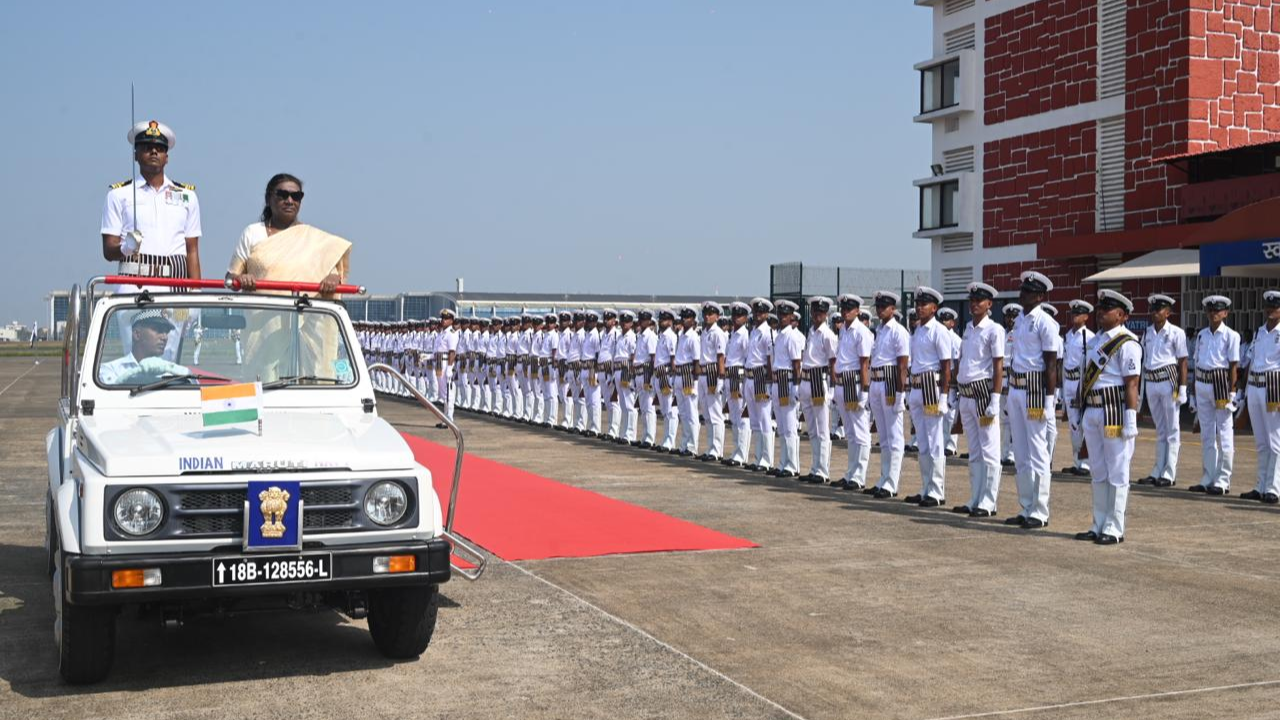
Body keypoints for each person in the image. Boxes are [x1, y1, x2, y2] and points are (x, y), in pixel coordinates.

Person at [102, 120, 202, 360]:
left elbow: (192, 250)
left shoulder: (187, 196)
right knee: (136, 354)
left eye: (159, 148)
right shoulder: (119, 195)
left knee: (170, 353)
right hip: (134, 282)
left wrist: (196, 296)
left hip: (175, 286)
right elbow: (108, 249)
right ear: (136, 154)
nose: (154, 152)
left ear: (167, 157)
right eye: (146, 147)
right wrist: (126, 247)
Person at [1074, 290, 1142, 545]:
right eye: (1101, 307)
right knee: (1098, 471)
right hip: (1092, 410)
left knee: (1117, 470)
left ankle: (1115, 526)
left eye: (1109, 308)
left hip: (1114, 411)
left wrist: (1131, 420)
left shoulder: (1127, 342)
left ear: (1122, 315)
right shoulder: (1093, 341)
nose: (1102, 312)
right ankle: (1098, 522)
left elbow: (1131, 384)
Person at [228, 174, 348, 296]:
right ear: (268, 199)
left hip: (303, 311)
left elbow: (332, 273)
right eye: (283, 195)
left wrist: (333, 279)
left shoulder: (313, 239)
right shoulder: (252, 232)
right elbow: (230, 277)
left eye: (296, 196)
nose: (290, 201)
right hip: (263, 308)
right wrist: (241, 279)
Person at [1005, 271, 1059, 530]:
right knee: (1021, 453)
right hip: (1016, 387)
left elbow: (1050, 365)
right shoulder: (1019, 320)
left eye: (1028, 291)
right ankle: (1026, 505)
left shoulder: (1046, 322)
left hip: (1036, 389)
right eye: (1022, 289)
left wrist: (1050, 402)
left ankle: (1040, 509)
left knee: (1038, 452)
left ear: (1039, 296)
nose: (1022, 294)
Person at [953, 282, 1005, 517]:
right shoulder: (967, 328)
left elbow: (998, 366)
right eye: (972, 300)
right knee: (974, 451)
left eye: (979, 301)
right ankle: (975, 497)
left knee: (990, 450)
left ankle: (988, 501)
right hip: (965, 394)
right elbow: (963, 361)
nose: (974, 304)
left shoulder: (994, 330)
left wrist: (995, 399)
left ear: (989, 304)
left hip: (983, 394)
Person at [904, 287, 952, 507]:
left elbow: (946, 366)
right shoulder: (918, 331)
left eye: (924, 304)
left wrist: (944, 396)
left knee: (934, 441)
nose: (919, 308)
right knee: (922, 442)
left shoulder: (939, 330)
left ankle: (936, 490)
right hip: (916, 387)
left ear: (934, 308)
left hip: (932, 388)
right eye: (918, 304)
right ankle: (926, 487)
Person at [1191, 295, 1241, 495]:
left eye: (1218, 310)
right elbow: (1197, 362)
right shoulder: (1202, 335)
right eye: (1210, 310)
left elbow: (1233, 366)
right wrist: (1194, 391)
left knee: (1225, 432)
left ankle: (1223, 479)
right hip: (1203, 382)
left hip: (1221, 383)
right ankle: (1208, 476)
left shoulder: (1231, 335)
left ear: (1225, 313)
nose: (1213, 314)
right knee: (1207, 434)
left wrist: (1232, 393)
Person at [1139, 294, 1189, 488]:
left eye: (1159, 309)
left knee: (1172, 428)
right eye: (1153, 309)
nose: (1154, 313)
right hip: (1152, 381)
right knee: (1160, 430)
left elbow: (1182, 361)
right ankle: (1157, 469)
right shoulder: (1148, 332)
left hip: (1169, 381)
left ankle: (1169, 472)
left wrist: (1183, 388)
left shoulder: (1176, 332)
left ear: (1168, 312)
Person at [867, 291, 910, 499]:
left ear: (893, 309)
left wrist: (901, 394)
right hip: (876, 382)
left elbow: (903, 365)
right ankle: (883, 478)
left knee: (894, 436)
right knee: (883, 437)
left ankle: (892, 482)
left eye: (884, 306)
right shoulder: (880, 330)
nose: (880, 309)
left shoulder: (898, 331)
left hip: (891, 383)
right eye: (878, 306)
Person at [832, 294, 873, 490]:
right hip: (842, 384)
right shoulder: (844, 331)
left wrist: (864, 392)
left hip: (855, 384)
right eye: (843, 308)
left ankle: (859, 475)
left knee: (861, 431)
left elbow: (865, 363)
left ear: (857, 310)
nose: (845, 311)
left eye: (849, 308)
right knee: (850, 432)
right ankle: (851, 472)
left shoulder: (861, 332)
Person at [1243, 290, 1280, 504]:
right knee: (1261, 441)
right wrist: (1242, 391)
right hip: (1255, 386)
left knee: (1275, 440)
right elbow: (1250, 360)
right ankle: (1261, 485)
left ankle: (1273, 488)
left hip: (1273, 386)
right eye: (1268, 306)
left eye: (1275, 307)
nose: (1271, 310)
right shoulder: (1259, 332)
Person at [800, 297, 838, 483]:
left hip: (818, 380)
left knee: (822, 429)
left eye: (821, 312)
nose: (817, 315)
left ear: (826, 314)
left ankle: (823, 470)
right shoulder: (811, 332)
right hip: (807, 379)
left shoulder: (827, 335)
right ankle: (815, 467)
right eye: (814, 312)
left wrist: (831, 389)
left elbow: (833, 363)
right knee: (812, 429)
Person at [98, 309, 188, 384]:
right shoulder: (110, 370)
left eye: (166, 332)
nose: (164, 337)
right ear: (137, 334)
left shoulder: (170, 373)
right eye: (158, 330)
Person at [769, 300, 805, 478]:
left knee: (790, 426)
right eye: (780, 314)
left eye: (786, 315)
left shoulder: (791, 336)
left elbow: (797, 363)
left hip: (788, 380)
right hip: (778, 381)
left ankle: (792, 465)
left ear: (792, 316)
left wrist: (796, 386)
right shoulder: (779, 335)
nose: (782, 317)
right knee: (782, 427)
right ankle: (783, 462)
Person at [1061, 300, 1095, 477]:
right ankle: (1077, 461)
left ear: (1086, 317)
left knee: (1083, 424)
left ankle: (1086, 463)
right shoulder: (1068, 336)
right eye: (1073, 313)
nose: (1075, 316)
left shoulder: (1089, 337)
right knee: (1073, 426)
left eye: (1079, 313)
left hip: (1080, 383)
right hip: (1068, 381)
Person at [745, 299, 776, 471]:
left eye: (761, 312)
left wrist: (769, 383)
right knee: (755, 421)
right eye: (756, 312)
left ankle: (766, 459)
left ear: (766, 314)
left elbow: (770, 360)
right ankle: (758, 457)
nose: (758, 315)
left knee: (764, 419)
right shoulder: (754, 332)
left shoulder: (767, 333)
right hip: (750, 378)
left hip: (761, 378)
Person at [696, 302, 729, 461]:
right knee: (707, 415)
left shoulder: (718, 333)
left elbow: (720, 357)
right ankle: (711, 448)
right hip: (703, 374)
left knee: (715, 414)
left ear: (717, 316)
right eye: (705, 313)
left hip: (712, 374)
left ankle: (717, 450)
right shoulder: (704, 333)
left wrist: (720, 379)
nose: (707, 316)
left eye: (710, 313)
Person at [722, 302, 754, 467]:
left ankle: (742, 454)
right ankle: (736, 451)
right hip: (730, 376)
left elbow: (748, 358)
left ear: (746, 317)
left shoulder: (745, 335)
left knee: (742, 417)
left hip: (740, 376)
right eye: (734, 315)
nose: (736, 318)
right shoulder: (732, 334)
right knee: (734, 417)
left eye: (740, 315)